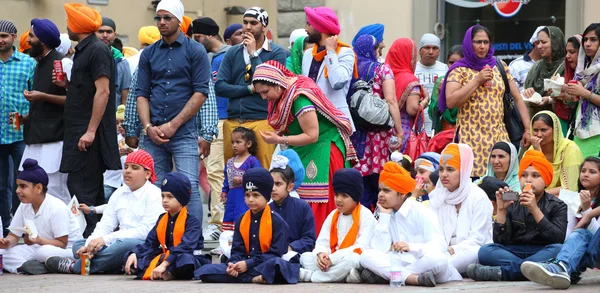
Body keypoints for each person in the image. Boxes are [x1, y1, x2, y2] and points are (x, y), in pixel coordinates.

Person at [251, 60, 357, 235]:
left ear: (277, 84)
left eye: (265, 92)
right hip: (304, 146)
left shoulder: (299, 98)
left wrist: (280, 139)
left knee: (318, 198)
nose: (263, 97)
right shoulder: (282, 94)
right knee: (299, 192)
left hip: (323, 147)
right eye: (260, 93)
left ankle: (320, 242)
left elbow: (312, 134)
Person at [137, 0, 211, 222]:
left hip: (184, 132)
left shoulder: (196, 51)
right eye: (158, 18)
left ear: (179, 20)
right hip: (153, 133)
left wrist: (173, 125)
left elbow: (200, 93)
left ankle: (194, 244)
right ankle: (157, 240)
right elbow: (141, 93)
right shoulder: (148, 54)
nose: (161, 22)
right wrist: (148, 127)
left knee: (188, 187)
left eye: (167, 17)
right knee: (153, 190)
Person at [56, 3, 121, 237]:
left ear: (77, 26)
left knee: (83, 186)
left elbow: (103, 92)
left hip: (88, 134)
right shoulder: (84, 50)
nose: (66, 26)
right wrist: (68, 86)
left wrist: (91, 131)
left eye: (69, 22)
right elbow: (86, 89)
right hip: (79, 130)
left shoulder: (97, 50)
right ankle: (93, 237)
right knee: (82, 187)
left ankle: (92, 237)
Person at [45, 150, 164, 275]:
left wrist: (105, 239)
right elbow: (105, 225)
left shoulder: (154, 195)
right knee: (79, 244)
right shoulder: (119, 193)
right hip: (116, 241)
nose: (128, 171)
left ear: (147, 174)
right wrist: (89, 244)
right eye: (126, 167)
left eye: (134, 168)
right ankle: (111, 265)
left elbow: (144, 232)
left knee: (124, 245)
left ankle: (75, 266)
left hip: (141, 244)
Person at [439, 25, 531, 177]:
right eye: (477, 42)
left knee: (501, 185)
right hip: (470, 141)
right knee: (473, 187)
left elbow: (517, 98)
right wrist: (477, 80)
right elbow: (451, 101)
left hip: (498, 139)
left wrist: (527, 130)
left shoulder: (500, 66)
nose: (482, 46)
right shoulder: (459, 69)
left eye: (486, 42)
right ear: (469, 43)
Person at [468, 149, 567, 281]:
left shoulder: (558, 205)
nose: (529, 180)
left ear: (546, 181)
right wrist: (501, 211)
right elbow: (501, 242)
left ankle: (503, 273)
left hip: (543, 250)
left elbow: (557, 239)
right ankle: (532, 270)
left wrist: (535, 209)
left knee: (559, 250)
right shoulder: (513, 202)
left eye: (536, 176)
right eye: (524, 175)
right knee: (485, 251)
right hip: (514, 251)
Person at [360, 162, 461, 286]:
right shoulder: (384, 213)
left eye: (386, 191)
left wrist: (411, 247)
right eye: (380, 190)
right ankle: (412, 279)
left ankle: (396, 276)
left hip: (426, 264)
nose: (380, 194)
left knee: (439, 259)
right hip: (401, 262)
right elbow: (379, 249)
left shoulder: (422, 211)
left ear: (402, 194)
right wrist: (384, 218)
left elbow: (439, 246)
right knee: (366, 256)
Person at [195, 168, 299, 284]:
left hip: (264, 264)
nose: (250, 200)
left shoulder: (277, 222)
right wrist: (233, 265)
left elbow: (275, 254)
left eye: (256, 195)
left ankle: (253, 277)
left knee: (277, 265)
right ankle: (254, 278)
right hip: (246, 267)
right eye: (247, 195)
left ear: (266, 196)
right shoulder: (241, 220)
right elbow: (237, 251)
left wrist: (248, 264)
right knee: (204, 272)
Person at [216, 7, 286, 170]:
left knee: (262, 173)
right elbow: (220, 86)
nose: (247, 27)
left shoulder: (277, 53)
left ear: (264, 27)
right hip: (234, 121)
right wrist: (249, 89)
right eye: (245, 22)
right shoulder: (233, 52)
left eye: (253, 23)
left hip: (262, 120)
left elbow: (268, 82)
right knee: (232, 173)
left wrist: (253, 54)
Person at [520, 156, 600, 289]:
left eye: (592, 172)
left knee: (582, 233)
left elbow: (597, 237)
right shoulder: (573, 198)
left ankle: (561, 266)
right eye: (583, 171)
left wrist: (587, 211)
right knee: (486, 251)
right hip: (579, 251)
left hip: (594, 253)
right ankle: (562, 267)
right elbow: (567, 234)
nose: (586, 174)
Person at [350, 35, 404, 211]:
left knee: (362, 187)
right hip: (379, 136)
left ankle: (362, 221)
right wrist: (399, 131)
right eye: (376, 49)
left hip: (357, 135)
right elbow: (391, 101)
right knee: (381, 183)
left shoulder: (351, 69)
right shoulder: (382, 69)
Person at [0, 159, 81, 274]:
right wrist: (6, 243)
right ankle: (25, 268)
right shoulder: (24, 205)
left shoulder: (57, 207)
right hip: (38, 246)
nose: (17, 191)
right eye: (17, 186)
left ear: (38, 188)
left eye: (23, 186)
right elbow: (13, 235)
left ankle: (43, 265)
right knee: (2, 253)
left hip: (67, 250)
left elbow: (62, 243)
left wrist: (38, 240)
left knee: (43, 253)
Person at [21, 18, 70, 204]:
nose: (28, 40)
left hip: (54, 140)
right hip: (36, 137)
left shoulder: (62, 64)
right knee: (32, 189)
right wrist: (25, 118)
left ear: (42, 40)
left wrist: (42, 96)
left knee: (55, 192)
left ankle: (68, 233)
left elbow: (73, 101)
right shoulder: (39, 64)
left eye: (32, 36)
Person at [124, 172, 207, 280]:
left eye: (170, 197)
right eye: (162, 196)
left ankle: (170, 273)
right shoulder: (162, 218)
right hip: (167, 256)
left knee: (186, 260)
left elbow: (185, 247)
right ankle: (163, 272)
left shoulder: (192, 221)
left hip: (185, 256)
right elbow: (150, 243)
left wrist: (164, 264)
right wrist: (134, 253)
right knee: (131, 257)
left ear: (182, 198)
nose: (164, 200)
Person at [298, 168, 376, 283]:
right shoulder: (333, 215)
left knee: (353, 260)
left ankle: (312, 277)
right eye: (336, 194)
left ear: (356, 197)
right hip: (331, 260)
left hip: (347, 259)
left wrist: (332, 259)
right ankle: (342, 276)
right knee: (306, 256)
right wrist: (322, 254)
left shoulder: (366, 216)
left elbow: (361, 247)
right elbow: (322, 242)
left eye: (344, 196)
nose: (338, 200)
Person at [192, 16, 231, 241]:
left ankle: (222, 223)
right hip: (211, 122)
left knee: (224, 171)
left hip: (228, 119)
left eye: (198, 37)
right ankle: (219, 223)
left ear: (209, 35)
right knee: (214, 172)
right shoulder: (205, 58)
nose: (196, 42)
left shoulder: (230, 55)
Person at [428, 143, 493, 274]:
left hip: (468, 252)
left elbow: (478, 239)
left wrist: (453, 250)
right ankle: (435, 270)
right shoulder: (437, 196)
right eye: (441, 169)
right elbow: (432, 232)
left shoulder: (478, 197)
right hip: (441, 251)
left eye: (450, 170)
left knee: (475, 253)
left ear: (463, 171)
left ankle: (433, 270)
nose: (444, 175)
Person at [0, 20, 36, 237]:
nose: (1, 40)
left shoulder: (28, 63)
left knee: (24, 182)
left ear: (14, 38)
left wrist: (28, 117)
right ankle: (6, 228)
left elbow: (37, 96)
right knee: (1, 186)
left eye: (4, 35)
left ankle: (26, 229)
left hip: (20, 133)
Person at [302, 6, 357, 129]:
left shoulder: (345, 52)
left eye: (309, 24)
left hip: (335, 122)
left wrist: (331, 52)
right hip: (311, 121)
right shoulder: (307, 54)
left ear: (319, 27)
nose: (306, 29)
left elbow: (337, 82)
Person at [269, 154, 316, 262]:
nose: (273, 188)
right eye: (271, 183)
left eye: (278, 184)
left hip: (295, 255)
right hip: (271, 254)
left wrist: (290, 248)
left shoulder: (302, 207)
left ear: (290, 186)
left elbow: (309, 239)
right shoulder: (266, 210)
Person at [386, 38, 428, 150]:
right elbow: (413, 109)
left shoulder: (385, 75)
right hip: (404, 134)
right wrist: (426, 99)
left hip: (386, 132)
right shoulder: (409, 79)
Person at [566, 23, 600, 159]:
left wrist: (584, 93)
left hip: (597, 133)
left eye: (593, 39)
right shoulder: (585, 69)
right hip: (581, 130)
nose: (587, 44)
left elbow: (585, 94)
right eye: (585, 39)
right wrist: (567, 93)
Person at [529, 111, 583, 194]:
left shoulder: (570, 149)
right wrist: (538, 153)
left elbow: (571, 187)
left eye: (544, 130)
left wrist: (542, 195)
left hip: (561, 198)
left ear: (555, 130)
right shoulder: (531, 150)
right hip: (535, 195)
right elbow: (527, 181)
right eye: (535, 130)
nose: (539, 135)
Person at [222, 127, 262, 232]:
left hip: (245, 196)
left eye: (238, 142)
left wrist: (242, 180)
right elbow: (226, 178)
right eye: (232, 142)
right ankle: (227, 243)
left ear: (248, 144)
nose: (234, 145)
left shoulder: (252, 161)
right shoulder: (229, 162)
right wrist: (224, 191)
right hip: (231, 197)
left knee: (242, 216)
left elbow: (258, 177)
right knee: (229, 216)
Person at [523, 26, 566, 118]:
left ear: (556, 43)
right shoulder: (536, 66)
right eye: (538, 42)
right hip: (535, 120)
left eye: (544, 42)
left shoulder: (567, 66)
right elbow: (524, 90)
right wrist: (528, 92)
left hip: (558, 121)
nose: (539, 46)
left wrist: (550, 99)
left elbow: (571, 97)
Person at [415, 33, 447, 137]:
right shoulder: (412, 68)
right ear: (420, 50)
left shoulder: (445, 68)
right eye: (427, 48)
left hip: (438, 126)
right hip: (417, 125)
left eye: (435, 48)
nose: (431, 52)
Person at [96, 17, 131, 106]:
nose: (104, 35)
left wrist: (122, 116)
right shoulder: (86, 56)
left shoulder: (122, 63)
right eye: (100, 31)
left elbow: (125, 95)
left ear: (114, 35)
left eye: (109, 32)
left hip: (113, 116)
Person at [429, 45, 463, 133]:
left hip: (464, 133)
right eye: (451, 62)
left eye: (459, 62)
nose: (454, 66)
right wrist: (441, 95)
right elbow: (433, 113)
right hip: (443, 135)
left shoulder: (470, 81)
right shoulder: (441, 81)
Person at [102, 105, 130, 202]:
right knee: (105, 200)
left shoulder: (135, 141)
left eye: (122, 122)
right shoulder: (113, 140)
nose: (119, 125)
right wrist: (117, 154)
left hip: (127, 182)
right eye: (117, 122)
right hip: (110, 180)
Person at [556, 34, 583, 135]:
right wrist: (555, 97)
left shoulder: (590, 75)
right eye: (566, 52)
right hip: (564, 124)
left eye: (572, 52)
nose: (567, 56)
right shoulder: (566, 73)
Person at [509, 26, 544, 92]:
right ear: (536, 43)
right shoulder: (516, 65)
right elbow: (512, 95)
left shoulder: (553, 64)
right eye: (544, 42)